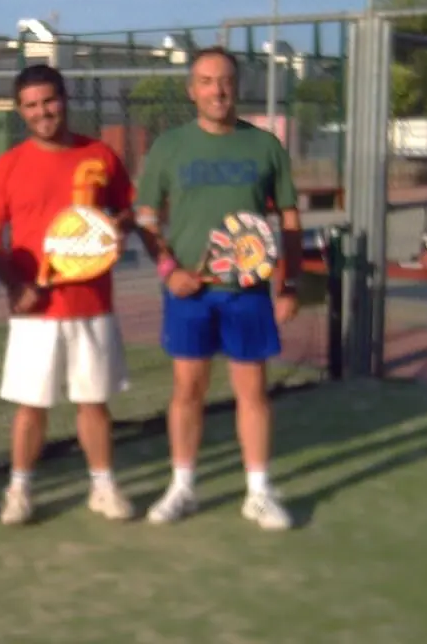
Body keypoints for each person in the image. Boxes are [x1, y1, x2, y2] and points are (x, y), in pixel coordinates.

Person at [134, 45, 303, 531]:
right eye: (206, 82)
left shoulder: (265, 146)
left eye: (225, 81)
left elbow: (289, 219)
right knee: (188, 389)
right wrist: (170, 270)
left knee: (253, 391)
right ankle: (183, 488)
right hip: (188, 293)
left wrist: (290, 283)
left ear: (237, 87)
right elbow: (146, 218)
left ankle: (259, 492)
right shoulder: (169, 147)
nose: (217, 90)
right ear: (192, 91)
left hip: (247, 292)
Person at [0, 64, 136, 526]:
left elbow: (128, 211)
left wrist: (117, 229)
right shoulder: (7, 167)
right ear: (20, 111)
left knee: (94, 403)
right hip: (35, 312)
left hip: (92, 304)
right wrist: (14, 285)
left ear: (65, 99)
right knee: (31, 407)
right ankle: (19, 491)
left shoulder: (100, 155)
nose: (42, 111)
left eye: (49, 100)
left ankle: (103, 488)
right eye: (31, 105)